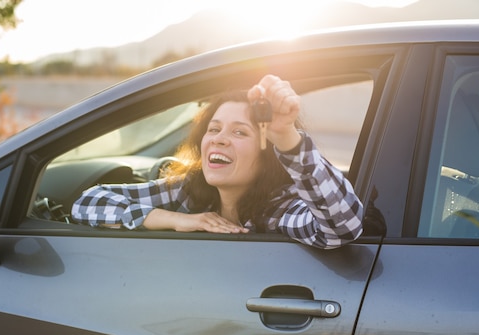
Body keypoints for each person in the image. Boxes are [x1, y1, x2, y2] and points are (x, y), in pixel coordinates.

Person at [72, 75, 363, 249]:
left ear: (268, 154)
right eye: (214, 129)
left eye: (239, 132)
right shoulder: (187, 190)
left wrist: (285, 135)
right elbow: (87, 202)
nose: (219, 139)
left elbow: (343, 227)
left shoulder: (279, 209)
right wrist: (177, 220)